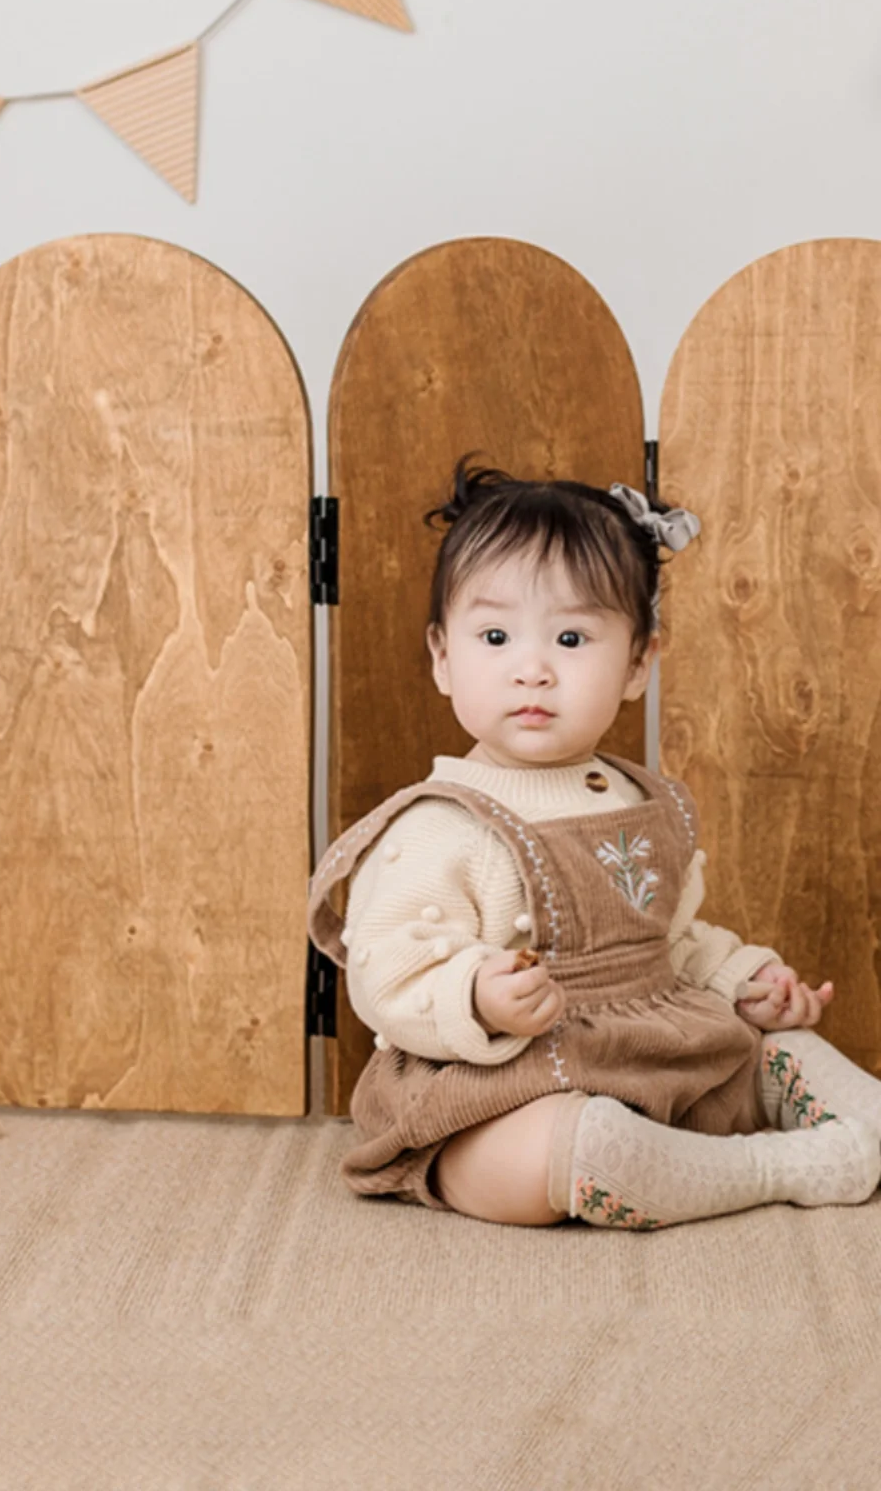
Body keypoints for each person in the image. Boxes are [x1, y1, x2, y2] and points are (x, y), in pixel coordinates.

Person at [306, 455, 881, 1230]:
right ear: (444, 658)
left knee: (783, 1052)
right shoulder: (442, 823)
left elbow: (669, 942)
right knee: (557, 1149)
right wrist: (476, 993)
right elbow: (388, 967)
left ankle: (820, 1131)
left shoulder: (651, 802)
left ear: (639, 662)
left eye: (572, 638)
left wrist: (746, 981)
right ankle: (764, 1169)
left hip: (652, 1055)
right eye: (497, 635)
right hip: (503, 1086)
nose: (533, 670)